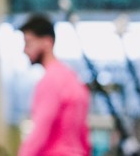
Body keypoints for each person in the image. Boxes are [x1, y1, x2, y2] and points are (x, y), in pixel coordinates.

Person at [17, 14, 90, 156]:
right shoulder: (72, 79)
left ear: (47, 42)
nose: (25, 50)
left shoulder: (50, 81)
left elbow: (40, 130)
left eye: (29, 43)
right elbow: (84, 134)